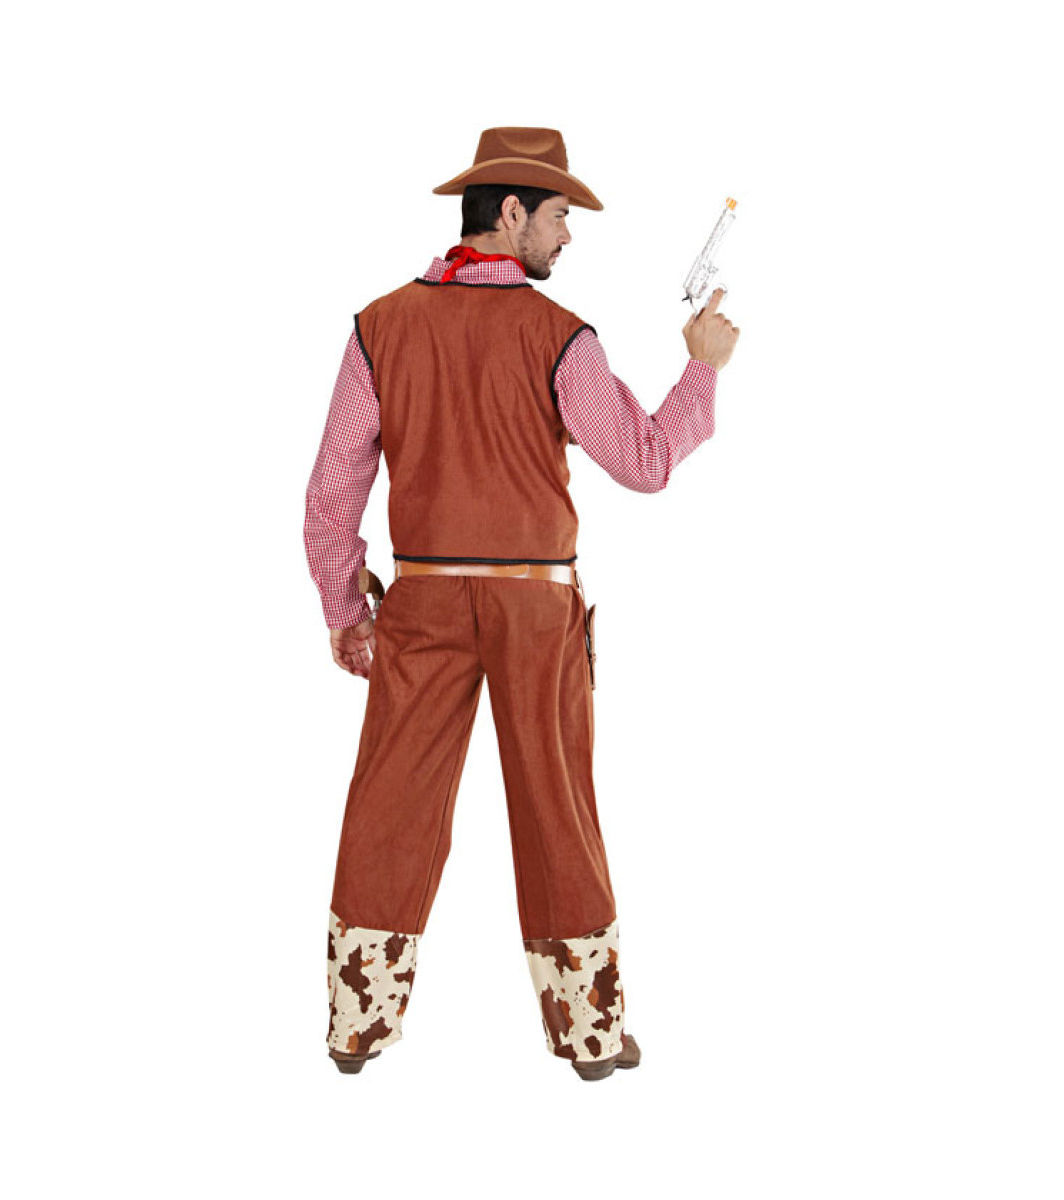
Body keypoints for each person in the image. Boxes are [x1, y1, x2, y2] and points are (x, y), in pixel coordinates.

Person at [302, 127, 740, 1080]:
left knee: (388, 805)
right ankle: (588, 1032)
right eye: (559, 217)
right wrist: (702, 366)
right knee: (557, 806)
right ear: (511, 214)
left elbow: (332, 492)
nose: (567, 237)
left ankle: (356, 1024)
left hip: (421, 599)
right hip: (535, 609)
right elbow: (646, 462)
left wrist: (345, 608)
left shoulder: (379, 327)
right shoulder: (561, 338)